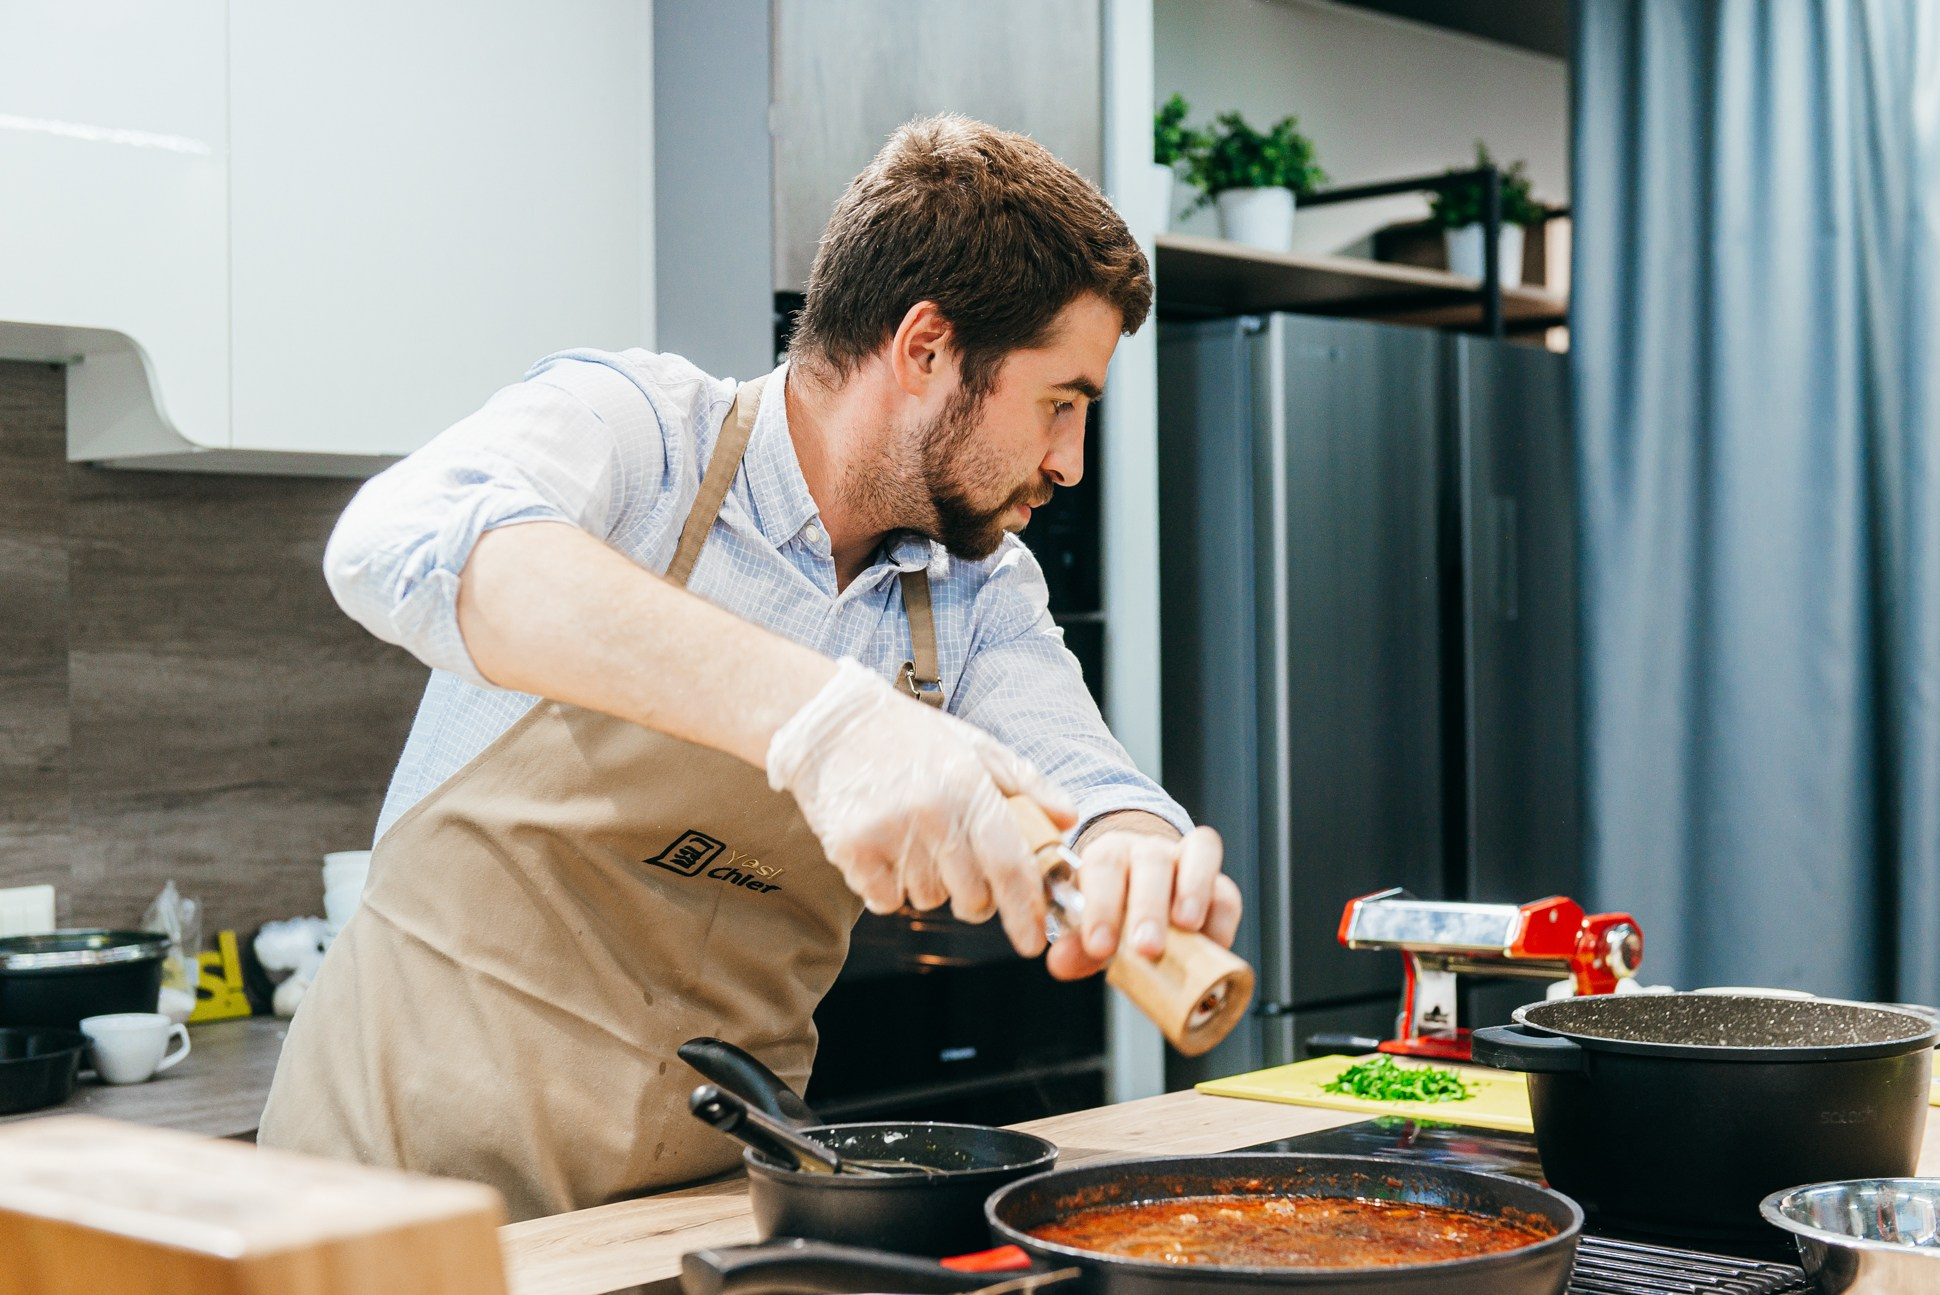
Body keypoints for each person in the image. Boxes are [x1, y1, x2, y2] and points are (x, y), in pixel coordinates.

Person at [258, 114, 1241, 1222]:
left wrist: (1133, 849)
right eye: (1059, 401)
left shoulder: (973, 588)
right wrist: (827, 725)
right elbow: (390, 540)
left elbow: (1083, 777)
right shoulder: (641, 436)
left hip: (684, 1217)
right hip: (377, 1196)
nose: (1068, 462)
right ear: (926, 349)